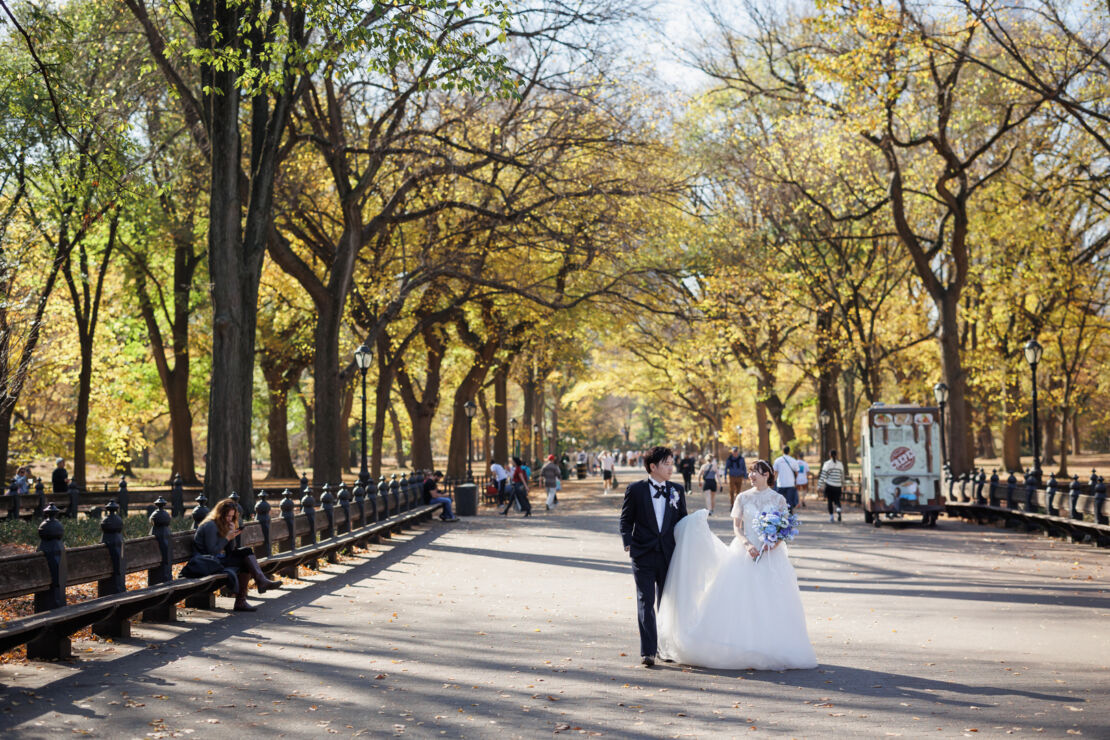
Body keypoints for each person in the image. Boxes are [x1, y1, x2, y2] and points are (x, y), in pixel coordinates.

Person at [657, 459, 817, 670]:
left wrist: (773, 544)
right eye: (750, 472)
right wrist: (747, 544)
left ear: (767, 475)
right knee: (739, 598)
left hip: (771, 555)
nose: (751, 476)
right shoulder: (742, 497)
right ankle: (740, 644)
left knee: (771, 599)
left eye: (755, 472)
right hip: (744, 551)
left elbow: (784, 529)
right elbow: (737, 527)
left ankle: (772, 645)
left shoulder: (778, 499)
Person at [618, 445, 688, 667]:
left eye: (671, 463)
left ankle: (665, 648)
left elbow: (683, 522)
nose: (671, 467)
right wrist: (628, 542)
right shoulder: (636, 489)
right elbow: (626, 520)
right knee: (645, 601)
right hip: (643, 554)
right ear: (652, 467)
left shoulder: (677, 490)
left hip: (669, 554)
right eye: (666, 463)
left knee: (667, 602)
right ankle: (648, 651)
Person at [192, 499, 282, 612]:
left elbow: (229, 551)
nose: (230, 519)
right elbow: (211, 552)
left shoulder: (222, 525)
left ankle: (245, 597)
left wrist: (231, 536)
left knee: (245, 554)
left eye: (232, 516)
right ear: (220, 514)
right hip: (205, 562)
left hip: (214, 560)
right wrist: (227, 538)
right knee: (245, 555)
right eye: (228, 516)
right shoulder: (210, 526)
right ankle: (251, 591)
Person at [772, 445, 801, 512]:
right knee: (789, 501)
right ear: (789, 451)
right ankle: (790, 516)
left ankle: (781, 516)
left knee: (780, 501)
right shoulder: (793, 460)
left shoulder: (778, 460)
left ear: (782, 451)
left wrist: (773, 481)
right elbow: (797, 472)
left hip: (780, 484)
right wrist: (795, 480)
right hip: (790, 484)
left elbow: (775, 472)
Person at [818, 450, 845, 522]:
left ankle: (831, 517)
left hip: (829, 485)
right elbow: (842, 475)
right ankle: (839, 511)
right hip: (838, 486)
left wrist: (819, 485)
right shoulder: (840, 464)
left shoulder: (827, 464)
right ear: (837, 455)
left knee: (830, 501)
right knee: (838, 500)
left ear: (830, 455)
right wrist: (842, 484)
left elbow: (823, 475)